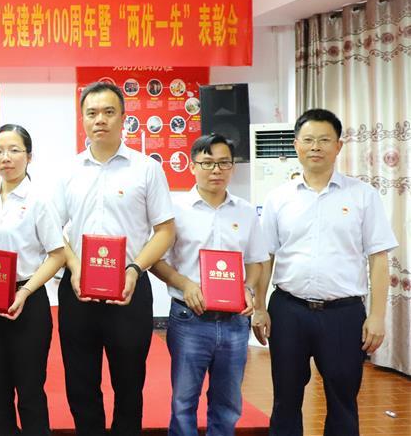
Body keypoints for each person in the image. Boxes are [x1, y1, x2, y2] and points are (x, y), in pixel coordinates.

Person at [252, 108, 397, 436]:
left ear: (338, 146)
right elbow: (265, 258)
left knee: (343, 398)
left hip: (343, 314)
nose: (315, 147)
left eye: (324, 140)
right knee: (285, 397)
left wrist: (377, 316)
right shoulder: (278, 198)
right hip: (288, 310)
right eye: (308, 140)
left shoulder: (363, 196)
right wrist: (259, 307)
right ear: (296, 145)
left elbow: (378, 258)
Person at [53, 81, 175, 435]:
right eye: (92, 113)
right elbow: (53, 231)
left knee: (129, 384)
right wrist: (74, 266)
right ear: (82, 119)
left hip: (129, 289)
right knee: (80, 383)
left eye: (109, 112)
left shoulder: (146, 168)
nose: (100, 120)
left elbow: (165, 230)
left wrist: (135, 269)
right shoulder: (68, 171)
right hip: (78, 291)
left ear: (123, 118)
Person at [150, 133, 266, 436]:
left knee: (228, 403)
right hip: (189, 318)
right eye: (208, 163)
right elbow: (156, 260)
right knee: (183, 402)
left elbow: (256, 260)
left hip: (235, 322)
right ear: (192, 166)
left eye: (224, 163)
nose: (216, 170)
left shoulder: (246, 211)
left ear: (233, 167)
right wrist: (185, 284)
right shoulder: (174, 210)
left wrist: (248, 288)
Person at [0, 124, 67, 436]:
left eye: (14, 150)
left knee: (29, 392)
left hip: (28, 302)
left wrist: (24, 292)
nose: (6, 157)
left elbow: (57, 254)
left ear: (29, 156)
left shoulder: (39, 200)